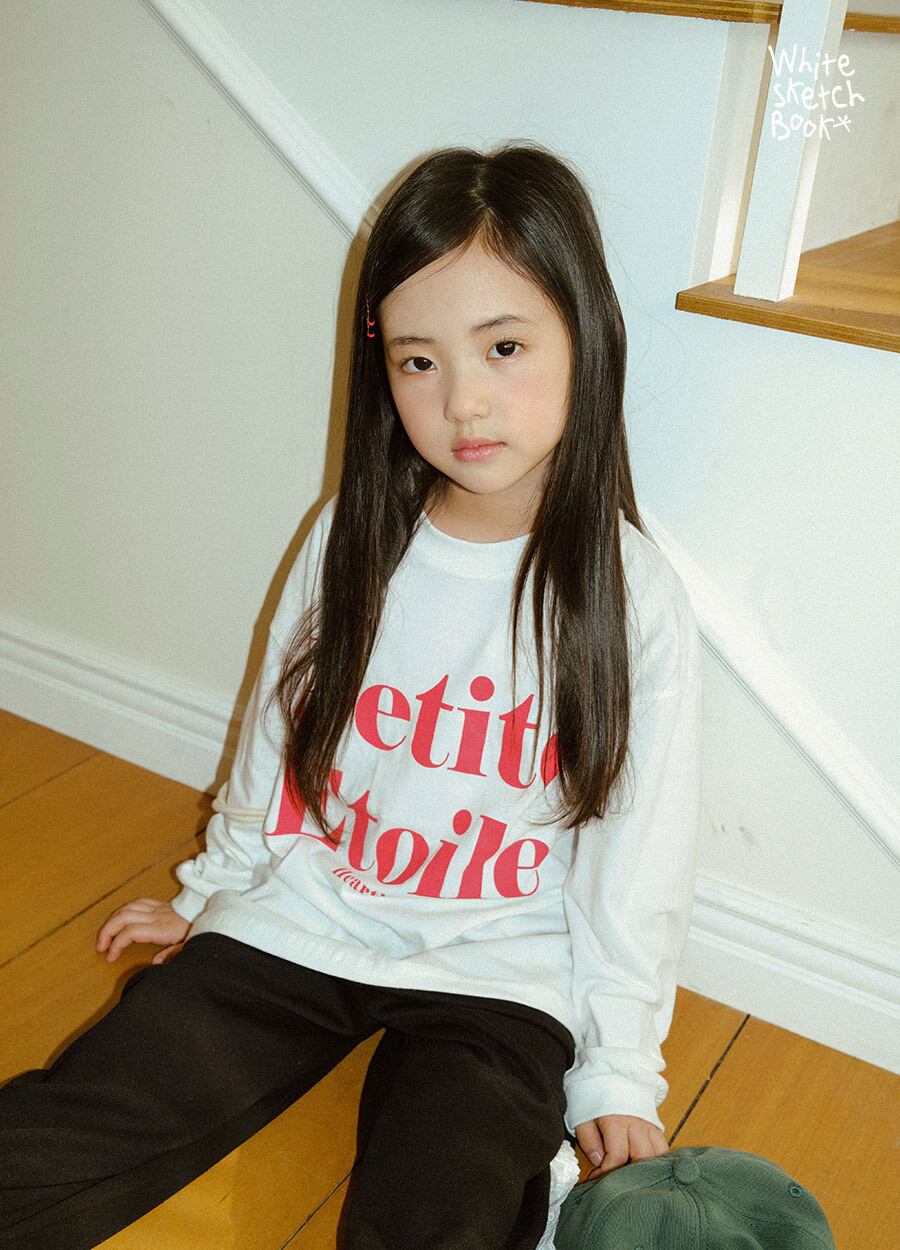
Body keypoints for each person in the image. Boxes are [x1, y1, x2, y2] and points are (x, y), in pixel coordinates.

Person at [0, 141, 703, 1250]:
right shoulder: (352, 538)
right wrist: (212, 889)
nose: (463, 399)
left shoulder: (631, 595)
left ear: (588, 336)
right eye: (418, 361)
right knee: (73, 1123)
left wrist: (618, 1068)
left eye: (504, 346)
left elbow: (638, 859)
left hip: (504, 973)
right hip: (307, 917)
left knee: (442, 1211)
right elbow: (279, 737)